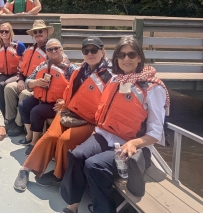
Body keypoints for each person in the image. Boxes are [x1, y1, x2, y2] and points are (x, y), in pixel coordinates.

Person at [59, 36, 169, 213]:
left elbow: (156, 133)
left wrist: (134, 143)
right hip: (104, 135)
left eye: (131, 55)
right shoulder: (115, 80)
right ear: (116, 57)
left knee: (94, 165)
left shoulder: (153, 88)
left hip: (133, 145)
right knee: (76, 155)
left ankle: (103, 209)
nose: (126, 59)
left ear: (140, 57)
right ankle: (72, 206)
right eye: (121, 54)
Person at [14, 37, 113, 192]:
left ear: (103, 51)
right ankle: (25, 169)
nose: (90, 53)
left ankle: (59, 174)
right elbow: (69, 92)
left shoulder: (110, 76)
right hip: (68, 112)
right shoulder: (81, 70)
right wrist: (63, 103)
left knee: (65, 140)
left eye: (94, 50)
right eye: (86, 50)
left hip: (89, 121)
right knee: (50, 136)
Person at [19, 39, 76, 156]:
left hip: (57, 103)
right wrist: (35, 83)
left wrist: (65, 102)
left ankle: (35, 142)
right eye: (50, 49)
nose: (53, 51)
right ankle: (30, 135)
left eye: (56, 48)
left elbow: (78, 90)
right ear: (47, 52)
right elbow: (27, 81)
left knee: (36, 112)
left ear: (61, 49)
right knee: (23, 106)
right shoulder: (42, 65)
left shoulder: (71, 69)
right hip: (42, 97)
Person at [4, 20, 52, 137]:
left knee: (24, 94)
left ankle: (19, 125)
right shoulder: (29, 49)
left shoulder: (51, 50)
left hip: (39, 85)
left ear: (46, 32)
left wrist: (33, 83)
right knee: (9, 88)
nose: (38, 33)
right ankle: (10, 120)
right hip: (25, 80)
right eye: (35, 32)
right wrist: (20, 79)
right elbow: (21, 67)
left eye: (41, 31)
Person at [0, 22, 26, 116]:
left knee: (6, 84)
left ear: (10, 32)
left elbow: (26, 58)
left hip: (16, 74)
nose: (4, 33)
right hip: (4, 73)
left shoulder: (18, 45)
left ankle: (10, 114)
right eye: (2, 31)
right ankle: (0, 113)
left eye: (6, 31)